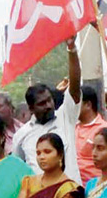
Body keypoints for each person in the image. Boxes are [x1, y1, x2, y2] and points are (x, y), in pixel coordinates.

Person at [11, 37, 83, 184]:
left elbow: (74, 87)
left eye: (49, 100)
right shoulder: (21, 135)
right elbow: (18, 170)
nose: (49, 105)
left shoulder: (66, 116)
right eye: (42, 103)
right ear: (31, 108)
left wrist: (71, 49)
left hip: (70, 195)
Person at [75, 86, 107, 186]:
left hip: (96, 187)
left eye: (76, 103)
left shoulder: (105, 130)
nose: (71, 107)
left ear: (88, 105)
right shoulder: (72, 128)